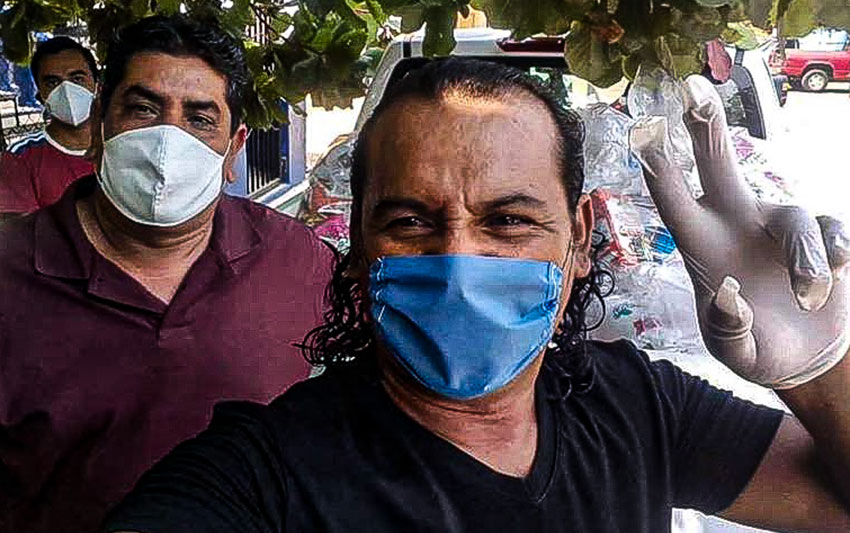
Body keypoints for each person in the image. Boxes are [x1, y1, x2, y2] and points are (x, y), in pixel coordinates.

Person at [105, 58, 850, 532]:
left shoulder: (638, 405)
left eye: (509, 220)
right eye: (410, 220)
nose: (459, 256)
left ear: (582, 237)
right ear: (358, 247)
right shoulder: (266, 473)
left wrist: (821, 371)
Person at [0, 16, 332, 533]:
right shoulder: (9, 272)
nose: (166, 142)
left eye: (200, 119)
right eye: (142, 109)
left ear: (234, 148)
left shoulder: (296, 259)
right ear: (98, 129)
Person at [0, 36, 99, 215]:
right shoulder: (21, 156)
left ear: (97, 85)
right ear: (40, 95)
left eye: (77, 79)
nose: (67, 90)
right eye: (53, 82)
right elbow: (18, 231)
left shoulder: (124, 143)